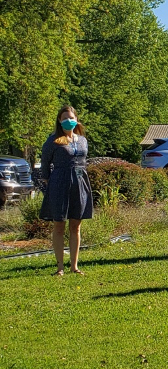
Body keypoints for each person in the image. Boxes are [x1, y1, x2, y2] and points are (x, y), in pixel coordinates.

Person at [40, 105, 92, 276]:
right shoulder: (53, 140)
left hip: (79, 182)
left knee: (76, 226)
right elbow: (45, 162)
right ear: (59, 120)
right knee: (59, 225)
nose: (68, 121)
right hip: (59, 182)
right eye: (65, 118)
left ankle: (74, 266)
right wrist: (48, 180)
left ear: (76, 119)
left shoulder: (82, 140)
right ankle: (60, 267)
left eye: (71, 117)